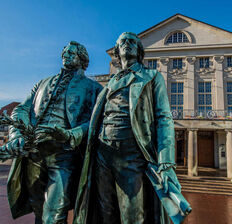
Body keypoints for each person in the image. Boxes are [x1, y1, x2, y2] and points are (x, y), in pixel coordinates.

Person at [73, 32, 182, 224]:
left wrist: (166, 162)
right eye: (122, 41)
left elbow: (164, 118)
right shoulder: (111, 82)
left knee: (133, 216)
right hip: (103, 153)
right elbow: (93, 120)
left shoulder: (152, 76)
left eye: (132, 41)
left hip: (132, 153)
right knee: (106, 211)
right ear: (116, 51)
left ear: (139, 50)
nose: (127, 44)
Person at [6, 41, 102, 224]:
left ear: (82, 59)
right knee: (38, 208)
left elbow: (98, 121)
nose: (65, 55)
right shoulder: (43, 83)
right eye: (64, 53)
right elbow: (21, 109)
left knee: (54, 213)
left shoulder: (94, 88)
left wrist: (72, 134)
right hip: (34, 152)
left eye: (71, 53)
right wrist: (17, 135)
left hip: (65, 155)